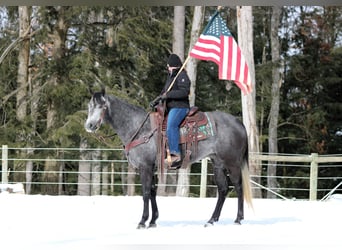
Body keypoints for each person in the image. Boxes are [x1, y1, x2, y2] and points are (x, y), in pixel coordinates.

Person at [159, 54, 191, 166]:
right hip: (170, 107)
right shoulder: (170, 78)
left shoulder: (182, 75)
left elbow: (184, 92)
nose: (168, 68)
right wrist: (158, 99)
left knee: (171, 125)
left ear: (173, 66)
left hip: (180, 107)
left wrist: (168, 95)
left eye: (169, 66)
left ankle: (175, 154)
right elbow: (164, 91)